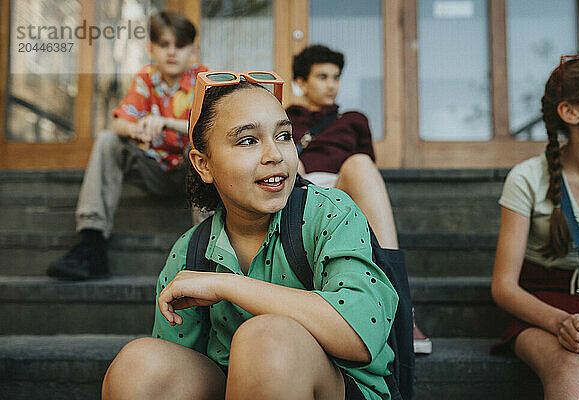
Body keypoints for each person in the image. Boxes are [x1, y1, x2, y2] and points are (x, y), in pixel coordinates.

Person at [101, 72, 399, 400]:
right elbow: (178, 362)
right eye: (248, 140)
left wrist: (229, 285)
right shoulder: (190, 252)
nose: (274, 155)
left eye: (284, 136)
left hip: (337, 385)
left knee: (266, 339)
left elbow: (360, 333)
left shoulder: (330, 212)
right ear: (203, 165)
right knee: (139, 365)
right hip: (234, 385)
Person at [289, 44, 432, 355]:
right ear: (301, 82)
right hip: (297, 190)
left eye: (336, 77)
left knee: (360, 163)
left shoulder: (353, 119)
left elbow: (368, 172)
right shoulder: (285, 117)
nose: (331, 84)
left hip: (344, 189)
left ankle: (399, 306)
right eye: (322, 77)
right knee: (289, 162)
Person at [47, 11, 208, 280]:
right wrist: (137, 127)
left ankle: (205, 252)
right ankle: (92, 243)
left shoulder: (203, 77)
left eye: (179, 45)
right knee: (109, 140)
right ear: (151, 49)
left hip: (192, 174)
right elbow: (118, 123)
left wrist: (166, 122)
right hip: (154, 172)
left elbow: (210, 128)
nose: (172, 52)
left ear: (193, 50)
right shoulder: (146, 77)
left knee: (203, 147)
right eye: (164, 45)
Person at [491, 54, 579, 399]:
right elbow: (504, 287)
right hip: (544, 310)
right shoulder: (526, 178)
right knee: (571, 370)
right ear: (570, 112)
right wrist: (560, 322)